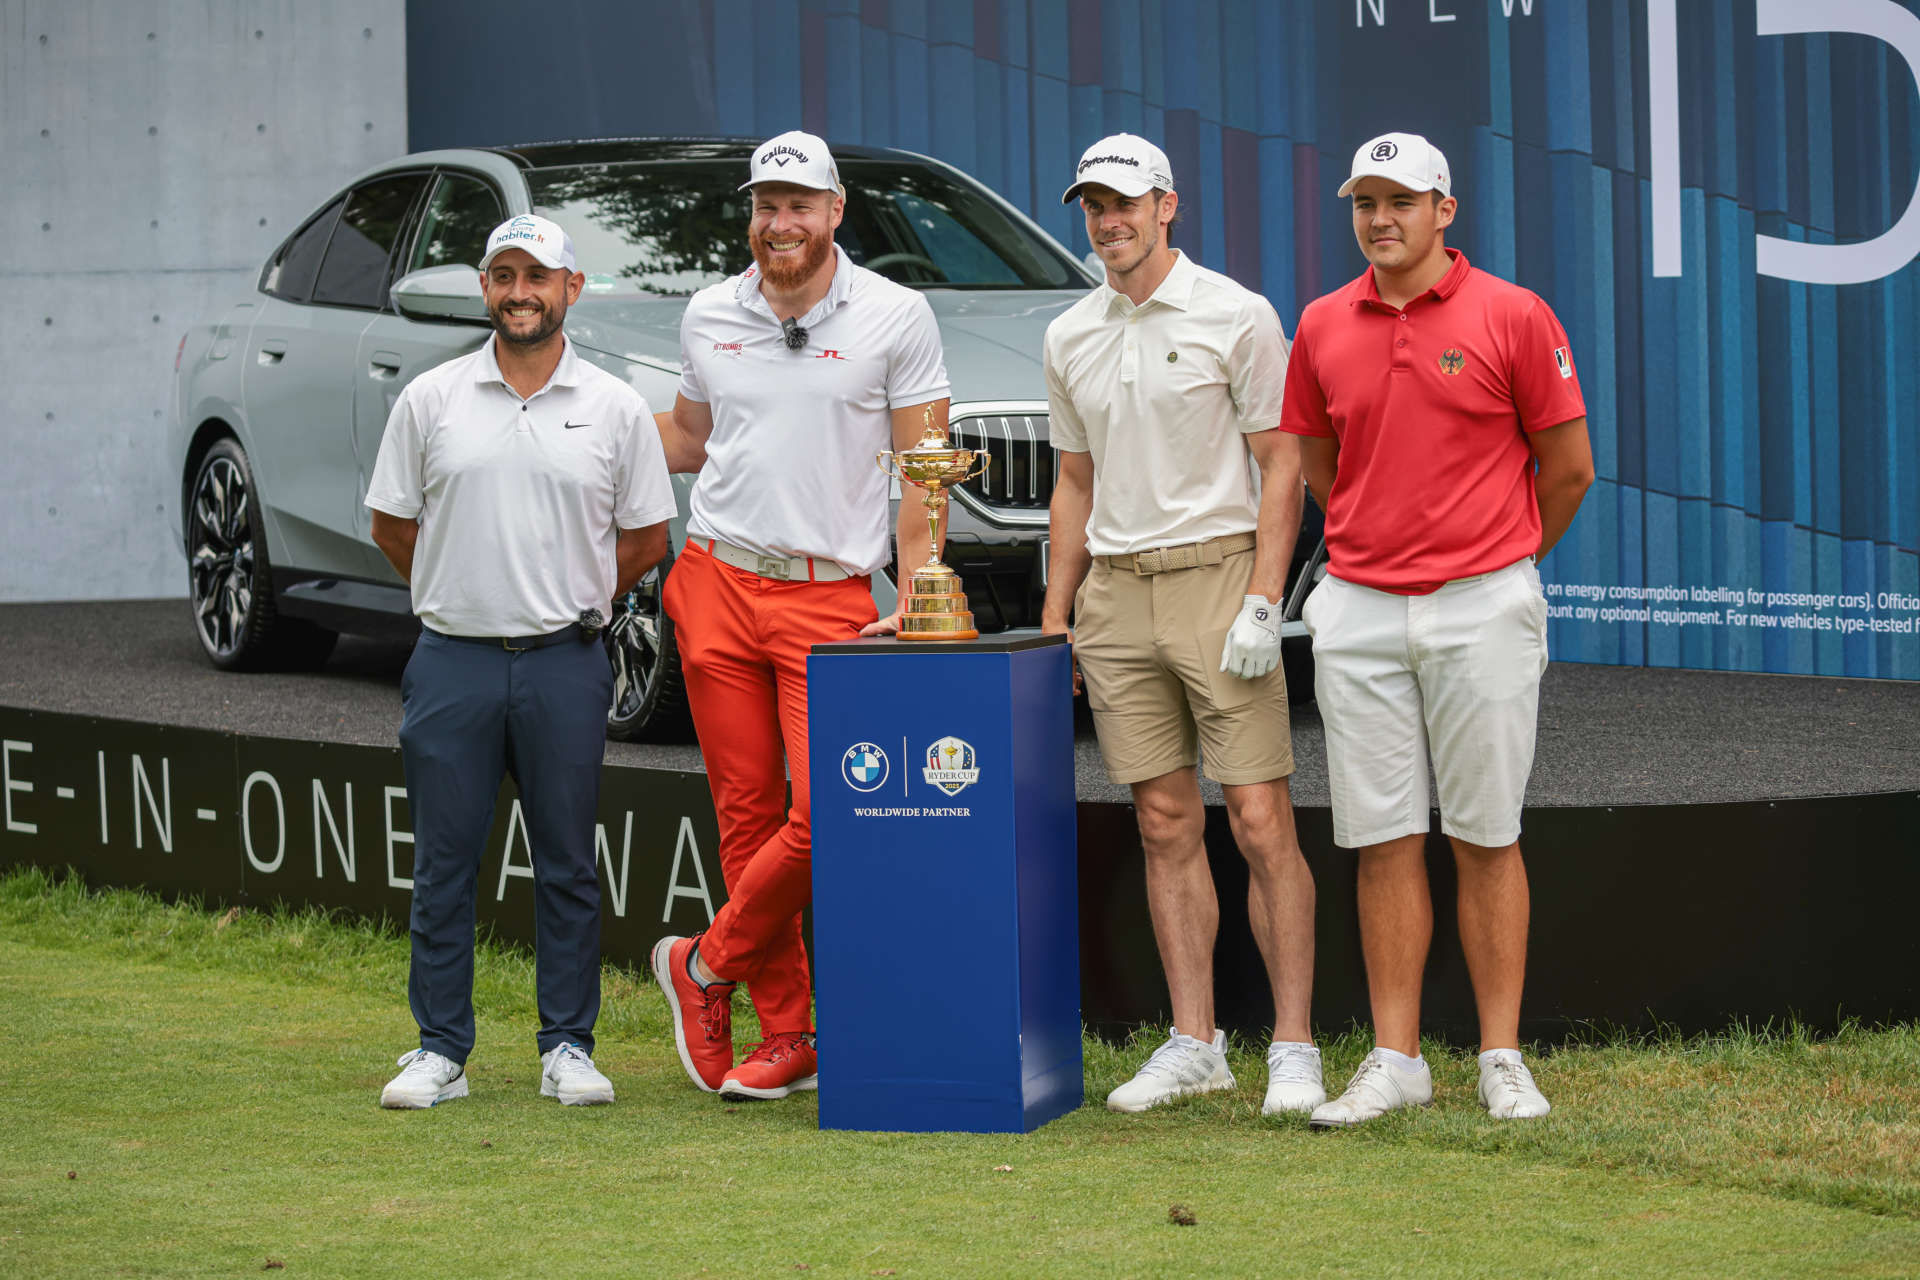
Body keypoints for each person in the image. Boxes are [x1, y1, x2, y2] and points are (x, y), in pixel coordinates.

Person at [1281, 133, 1594, 1126]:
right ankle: (1395, 1054)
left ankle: (1500, 1054)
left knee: (1486, 832)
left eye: (1401, 201)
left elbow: (1569, 466)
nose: (1381, 219)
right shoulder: (1324, 322)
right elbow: (1319, 463)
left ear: (1443, 210)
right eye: (1365, 202)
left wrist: (1500, 557)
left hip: (1482, 600)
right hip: (1361, 603)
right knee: (1380, 837)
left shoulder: (1512, 312)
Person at [650, 131, 952, 1101]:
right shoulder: (708, 312)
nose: (780, 223)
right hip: (715, 576)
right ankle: (786, 1034)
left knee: (826, 815)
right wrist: (572, 428)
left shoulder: (896, 315)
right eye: (765, 205)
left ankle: (703, 962)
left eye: (799, 205)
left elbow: (922, 469)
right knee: (745, 819)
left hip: (829, 593)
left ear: (835, 211)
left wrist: (916, 588)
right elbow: (691, 437)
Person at [1040, 133, 1323, 1117]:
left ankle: (1294, 1044)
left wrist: (1263, 596)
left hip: (1217, 576)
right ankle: (1194, 1039)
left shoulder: (1235, 314)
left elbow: (1281, 461)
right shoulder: (1070, 331)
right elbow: (1073, 482)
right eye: (1093, 206)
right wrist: (1054, 615)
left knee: (1257, 818)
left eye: (1124, 203)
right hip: (1115, 594)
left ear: (1168, 205)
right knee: (1163, 820)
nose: (1108, 221)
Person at [365, 214, 675, 1108]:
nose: (520, 291)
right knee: (444, 862)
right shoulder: (432, 397)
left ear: (571, 289)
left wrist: (579, 593)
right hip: (451, 659)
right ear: (486, 288)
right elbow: (393, 524)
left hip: (564, 660)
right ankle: (439, 1051)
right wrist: (457, 588)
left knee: (569, 861)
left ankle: (568, 1047)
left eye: (537, 276)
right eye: (503, 275)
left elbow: (647, 535)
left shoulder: (614, 406)